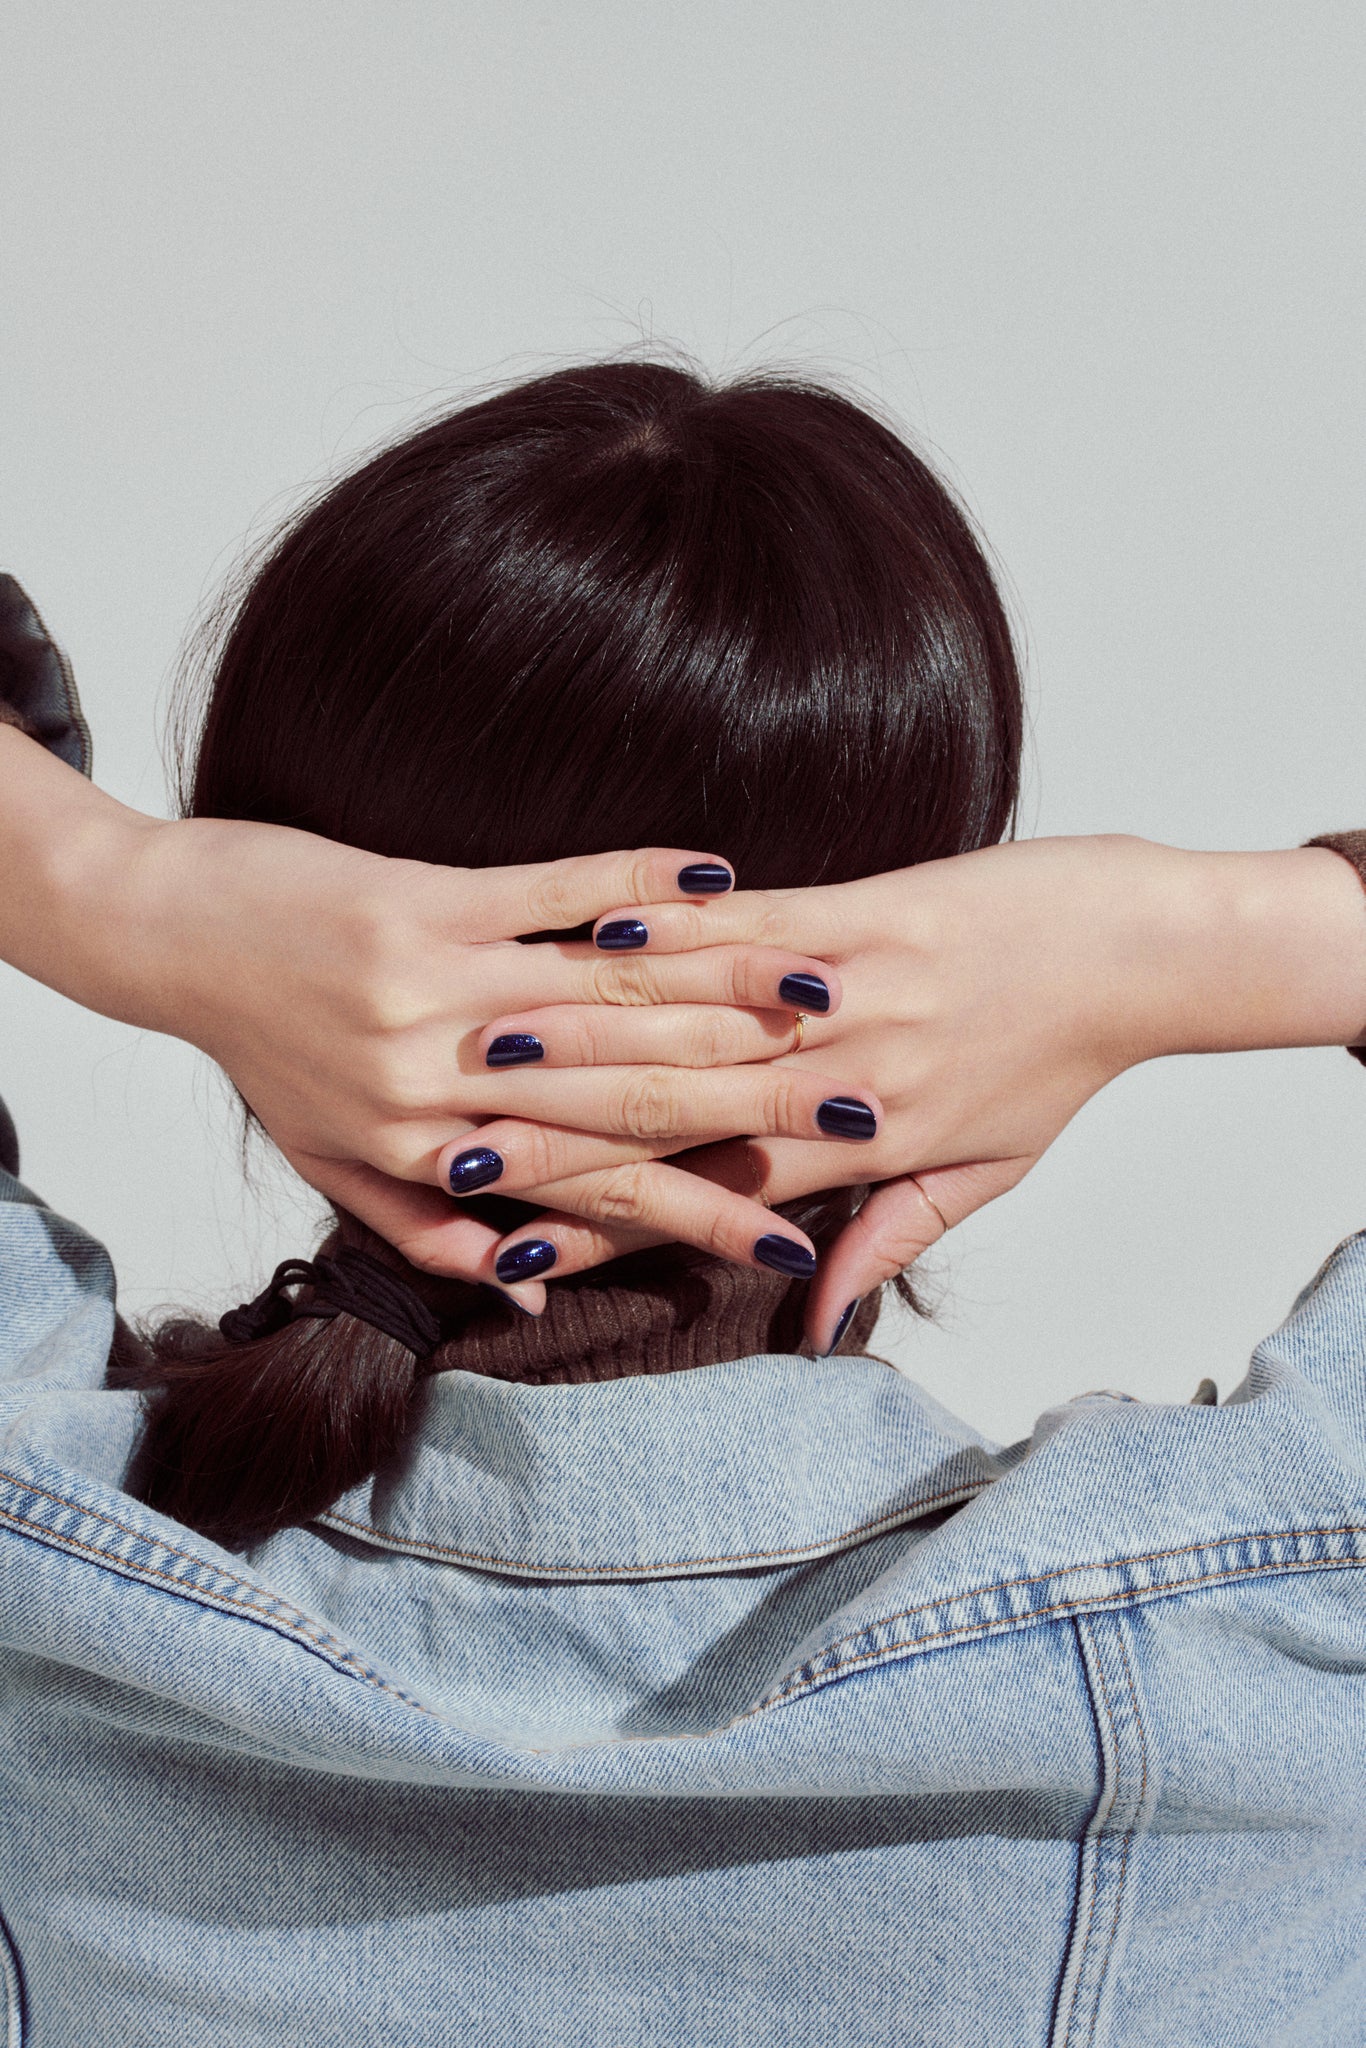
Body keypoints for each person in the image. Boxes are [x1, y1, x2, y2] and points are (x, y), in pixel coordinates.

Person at [1, 361, 1363, 2046]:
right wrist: (1180, 943)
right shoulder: (1285, 1616)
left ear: (282, 955)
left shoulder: (37, 1535)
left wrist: (106, 888)